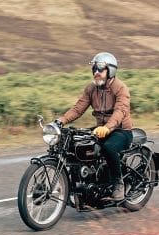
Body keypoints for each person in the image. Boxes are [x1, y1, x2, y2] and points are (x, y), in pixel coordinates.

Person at [57, 51, 133, 201]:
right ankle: (84, 182)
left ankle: (119, 183)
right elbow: (78, 109)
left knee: (108, 147)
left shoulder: (120, 88)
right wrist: (61, 121)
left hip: (120, 130)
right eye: (94, 69)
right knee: (75, 143)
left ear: (110, 71)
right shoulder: (91, 89)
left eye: (100, 69)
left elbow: (120, 112)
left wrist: (108, 127)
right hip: (100, 128)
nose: (96, 73)